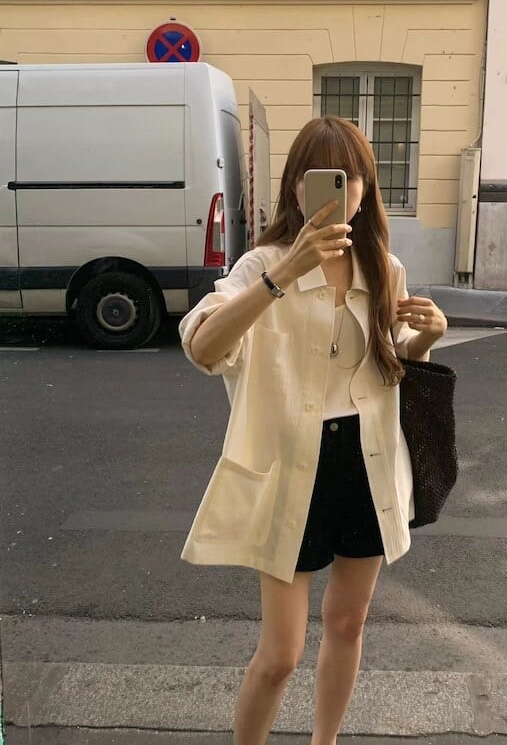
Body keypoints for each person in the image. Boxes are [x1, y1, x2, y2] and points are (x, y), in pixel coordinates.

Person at [178, 115, 448, 745]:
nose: (338, 190)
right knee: (281, 654)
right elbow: (203, 347)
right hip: (292, 469)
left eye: (350, 178)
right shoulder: (262, 264)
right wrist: (281, 277)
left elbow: (386, 367)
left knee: (348, 623)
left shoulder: (383, 267)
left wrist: (425, 340)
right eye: (320, 177)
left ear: (366, 189)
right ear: (296, 188)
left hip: (367, 462)